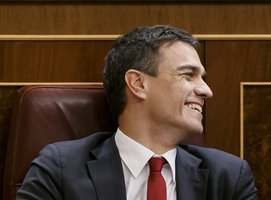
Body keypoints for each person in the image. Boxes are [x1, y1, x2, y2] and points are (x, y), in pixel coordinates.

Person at [17, 25, 257, 200]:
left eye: (202, 78)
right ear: (138, 83)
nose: (206, 91)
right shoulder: (60, 169)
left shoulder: (229, 177)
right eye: (188, 75)